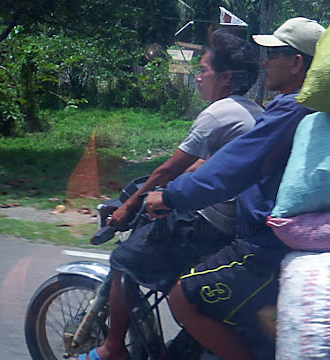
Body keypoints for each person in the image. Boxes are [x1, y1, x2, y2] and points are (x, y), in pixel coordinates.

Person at [72, 29, 263, 360]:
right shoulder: (252, 111)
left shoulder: (218, 113)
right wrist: (158, 189)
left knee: (124, 260)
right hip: (234, 224)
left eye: (203, 70)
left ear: (226, 76)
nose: (198, 77)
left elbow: (169, 169)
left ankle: (112, 348)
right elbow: (207, 164)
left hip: (208, 223)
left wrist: (128, 206)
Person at [145, 17, 326, 360]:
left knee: (182, 296)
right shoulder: (309, 106)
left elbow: (233, 167)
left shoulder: (291, 107)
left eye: (273, 54)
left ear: (297, 62)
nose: (265, 62)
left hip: (262, 244)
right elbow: (225, 161)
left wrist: (169, 196)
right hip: (272, 236)